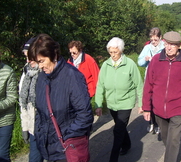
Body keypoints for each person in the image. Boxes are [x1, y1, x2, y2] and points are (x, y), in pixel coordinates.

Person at [28, 34, 93, 162]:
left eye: (42, 61)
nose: (40, 66)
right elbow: (40, 111)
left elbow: (85, 114)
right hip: (47, 149)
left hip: (66, 150)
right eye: (37, 62)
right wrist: (39, 133)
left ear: (54, 55)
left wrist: (68, 137)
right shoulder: (42, 78)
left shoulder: (72, 76)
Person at [142, 31, 181, 162]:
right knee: (166, 138)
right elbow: (148, 86)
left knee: (173, 140)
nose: (169, 47)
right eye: (167, 44)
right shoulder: (156, 61)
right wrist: (146, 108)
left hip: (178, 109)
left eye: (173, 45)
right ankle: (170, 152)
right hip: (158, 110)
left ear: (179, 46)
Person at [95, 37, 143, 162]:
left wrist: (141, 104)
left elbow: (139, 84)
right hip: (112, 103)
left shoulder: (130, 64)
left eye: (115, 52)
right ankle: (127, 144)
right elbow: (100, 85)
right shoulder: (106, 65)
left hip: (126, 103)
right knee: (120, 126)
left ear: (121, 50)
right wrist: (98, 104)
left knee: (118, 130)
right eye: (110, 52)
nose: (113, 55)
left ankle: (113, 158)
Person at [19, 37, 43, 162]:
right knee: (34, 157)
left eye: (30, 57)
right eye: (26, 57)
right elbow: (23, 102)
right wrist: (25, 127)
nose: (28, 61)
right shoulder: (26, 72)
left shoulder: (46, 72)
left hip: (46, 126)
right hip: (33, 126)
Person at [138, 27, 164, 134]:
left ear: (160, 38)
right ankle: (151, 123)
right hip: (150, 78)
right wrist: (145, 60)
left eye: (156, 40)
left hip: (162, 79)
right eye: (152, 40)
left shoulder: (164, 47)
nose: (153, 42)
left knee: (159, 102)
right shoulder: (147, 47)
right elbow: (139, 62)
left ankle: (158, 124)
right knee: (150, 101)